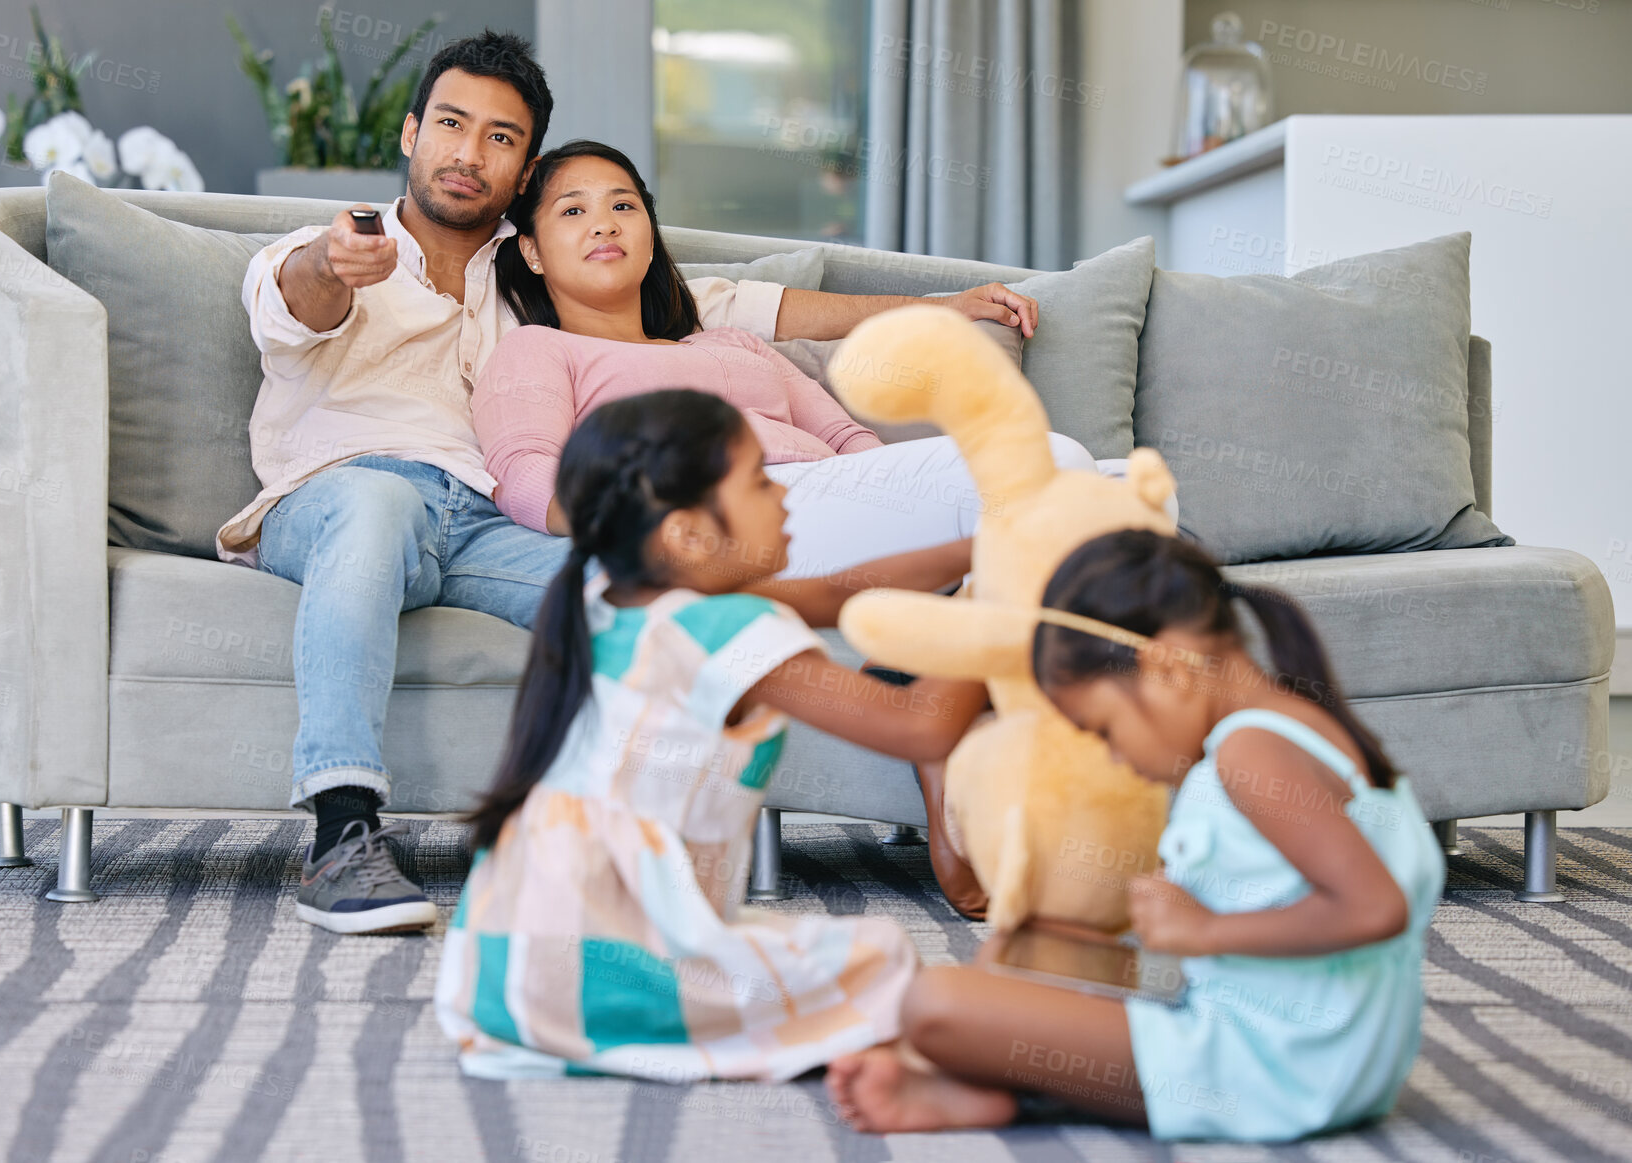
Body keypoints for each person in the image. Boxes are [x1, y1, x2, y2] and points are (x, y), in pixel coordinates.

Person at [221, 28, 1042, 935]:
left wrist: (933, 306)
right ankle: (342, 834)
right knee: (376, 510)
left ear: (522, 166)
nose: (469, 152)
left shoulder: (534, 269)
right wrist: (335, 265)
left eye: (500, 138)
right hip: (347, 492)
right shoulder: (328, 250)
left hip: (492, 520)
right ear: (412, 134)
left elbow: (745, 308)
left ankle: (669, 842)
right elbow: (299, 297)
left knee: (664, 598)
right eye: (451, 124)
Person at [434, 389, 989, 1080]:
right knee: (886, 957)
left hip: (500, 976)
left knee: (806, 950)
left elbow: (842, 589)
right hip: (603, 972)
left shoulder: (617, 601)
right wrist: (992, 603)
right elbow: (920, 726)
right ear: (687, 535)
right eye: (760, 481)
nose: (785, 497)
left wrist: (982, 546)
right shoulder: (722, 629)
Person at [826, 530, 1446, 1142]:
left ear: (1166, 666)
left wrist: (1205, 930)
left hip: (1277, 1067)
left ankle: (1006, 1096)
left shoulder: (1252, 753)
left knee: (936, 1003)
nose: (1117, 758)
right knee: (1021, 951)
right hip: (1304, 1037)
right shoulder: (1292, 726)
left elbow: (1374, 907)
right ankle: (1002, 1084)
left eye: (1104, 728)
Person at [476, 139, 1107, 578]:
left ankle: (956, 611)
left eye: (623, 206)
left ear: (649, 236)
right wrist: (644, 523)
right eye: (573, 211)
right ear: (531, 253)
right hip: (720, 518)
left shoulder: (730, 342)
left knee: (1120, 487)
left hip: (831, 498)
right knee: (1062, 465)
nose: (604, 224)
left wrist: (903, 486)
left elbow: (843, 435)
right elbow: (523, 473)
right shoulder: (536, 349)